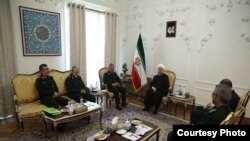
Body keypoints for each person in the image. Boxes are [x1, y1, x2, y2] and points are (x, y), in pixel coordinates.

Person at [167, 83, 233, 140]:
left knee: (171, 135)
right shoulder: (227, 109)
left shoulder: (217, 116)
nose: (211, 95)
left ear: (218, 97)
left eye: (213, 93)